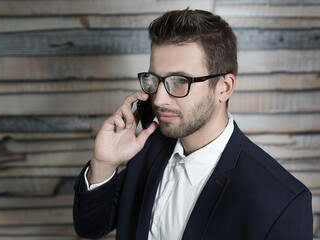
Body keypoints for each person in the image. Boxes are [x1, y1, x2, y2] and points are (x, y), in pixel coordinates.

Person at [73, 9, 313, 240]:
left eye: (179, 81)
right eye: (154, 79)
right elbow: (91, 226)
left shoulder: (281, 203)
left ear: (224, 87)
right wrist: (104, 164)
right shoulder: (146, 147)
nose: (158, 99)